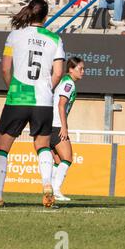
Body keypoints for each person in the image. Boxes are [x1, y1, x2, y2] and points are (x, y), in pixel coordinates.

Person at [0, 0, 65, 208]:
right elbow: (58, 72)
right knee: (42, 146)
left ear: (29, 13)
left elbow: (5, 69)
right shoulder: (55, 39)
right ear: (46, 16)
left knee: (3, 148)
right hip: (43, 100)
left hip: (18, 97)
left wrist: (12, 87)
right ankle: (47, 186)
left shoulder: (14, 36)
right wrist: (47, 89)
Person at [51, 57, 84, 201]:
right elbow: (61, 104)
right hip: (56, 125)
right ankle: (56, 190)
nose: (83, 71)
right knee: (68, 158)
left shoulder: (64, 81)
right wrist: (64, 127)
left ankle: (50, 190)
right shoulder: (69, 83)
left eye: (83, 69)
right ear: (71, 69)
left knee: (58, 161)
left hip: (49, 124)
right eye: (80, 68)